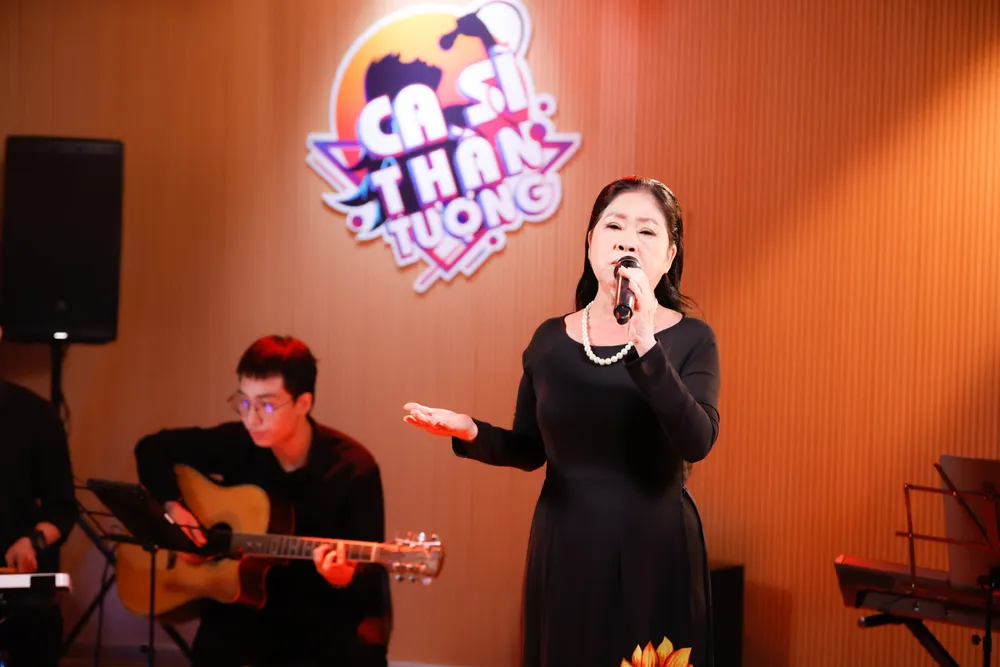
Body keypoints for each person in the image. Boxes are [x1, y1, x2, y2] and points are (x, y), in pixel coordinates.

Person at [403, 177, 721, 667]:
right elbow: (530, 449)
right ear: (591, 241)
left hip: (654, 549)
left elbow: (696, 439)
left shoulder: (692, 339)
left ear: (669, 255)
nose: (628, 241)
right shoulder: (550, 340)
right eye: (614, 226)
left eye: (646, 231)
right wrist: (470, 431)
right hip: (566, 544)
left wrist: (644, 340)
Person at [134, 335, 391, 667]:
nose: (251, 418)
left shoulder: (353, 469)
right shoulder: (238, 443)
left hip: (316, 612)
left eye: (267, 405)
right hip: (243, 607)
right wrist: (174, 506)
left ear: (303, 403)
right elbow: (151, 448)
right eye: (244, 402)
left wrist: (343, 577)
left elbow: (369, 574)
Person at [0, 325, 79, 667]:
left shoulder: (34, 414)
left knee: (39, 626)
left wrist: (32, 541)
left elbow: (62, 508)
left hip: (11, 582)